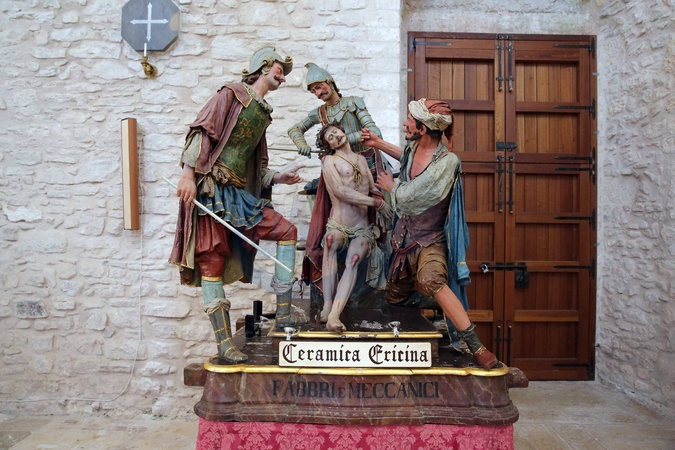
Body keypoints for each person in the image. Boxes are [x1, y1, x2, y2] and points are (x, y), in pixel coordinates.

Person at [169, 47, 306, 364]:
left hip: (239, 194)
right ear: (263, 67)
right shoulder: (231, 94)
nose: (283, 78)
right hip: (212, 189)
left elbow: (253, 165)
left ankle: (283, 316)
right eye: (279, 71)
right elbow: (202, 131)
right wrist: (188, 175)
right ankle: (224, 344)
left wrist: (278, 177)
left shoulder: (261, 111)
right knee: (212, 263)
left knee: (287, 231)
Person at [362, 98, 498, 369]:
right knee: (394, 297)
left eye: (410, 121)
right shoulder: (415, 147)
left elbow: (411, 196)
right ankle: (425, 323)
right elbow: (407, 156)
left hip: (429, 240)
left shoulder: (447, 162)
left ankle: (477, 347)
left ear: (423, 129)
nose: (405, 123)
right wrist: (378, 143)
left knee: (432, 279)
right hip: (402, 241)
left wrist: (390, 187)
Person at [307, 123, 393, 332]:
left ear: (343, 132)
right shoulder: (330, 162)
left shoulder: (361, 160)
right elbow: (340, 191)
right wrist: (375, 203)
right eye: (330, 137)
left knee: (353, 259)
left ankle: (335, 315)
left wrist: (385, 198)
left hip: (362, 227)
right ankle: (327, 305)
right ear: (329, 145)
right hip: (339, 223)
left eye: (335, 132)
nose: (335, 136)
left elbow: (371, 189)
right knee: (330, 242)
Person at [287, 63, 389, 179]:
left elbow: (375, 133)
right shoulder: (319, 113)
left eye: (319, 87)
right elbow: (294, 129)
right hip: (342, 168)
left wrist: (341, 141)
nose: (318, 93)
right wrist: (301, 144)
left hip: (370, 164)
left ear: (330, 82)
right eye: (314, 91)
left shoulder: (353, 102)